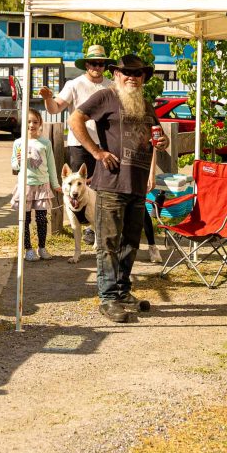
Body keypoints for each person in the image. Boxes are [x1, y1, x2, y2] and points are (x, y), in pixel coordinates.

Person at [70, 54, 168, 323]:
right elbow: (75, 119)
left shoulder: (145, 104)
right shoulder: (106, 96)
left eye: (137, 74)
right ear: (116, 74)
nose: (132, 77)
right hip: (112, 184)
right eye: (127, 73)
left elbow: (159, 136)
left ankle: (123, 292)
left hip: (137, 185)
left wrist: (163, 142)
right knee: (108, 243)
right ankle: (108, 298)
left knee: (131, 242)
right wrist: (96, 152)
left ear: (143, 77)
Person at [40, 44, 112, 181]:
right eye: (93, 63)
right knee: (81, 186)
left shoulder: (111, 85)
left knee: (105, 185)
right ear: (86, 65)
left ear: (105, 66)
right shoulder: (74, 84)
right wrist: (48, 98)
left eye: (101, 64)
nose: (97, 67)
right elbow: (55, 109)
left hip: (106, 144)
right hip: (80, 144)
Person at [11, 109, 56, 263]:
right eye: (28, 122)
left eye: (35, 122)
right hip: (26, 186)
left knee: (42, 219)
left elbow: (51, 165)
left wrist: (55, 184)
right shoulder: (18, 143)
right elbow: (14, 165)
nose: (32, 125)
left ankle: (42, 247)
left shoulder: (45, 143)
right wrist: (18, 161)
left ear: (40, 123)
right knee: (25, 219)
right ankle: (28, 249)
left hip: (42, 185)